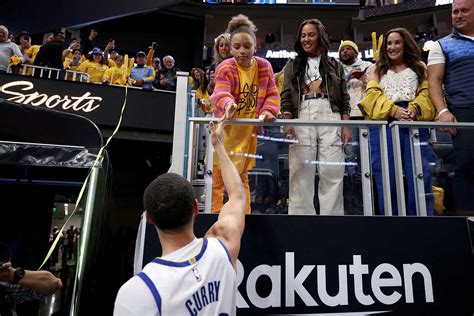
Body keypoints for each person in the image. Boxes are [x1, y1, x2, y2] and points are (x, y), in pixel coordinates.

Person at [114, 120, 246, 316]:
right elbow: (237, 195)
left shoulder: (138, 291)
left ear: (148, 218)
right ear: (195, 207)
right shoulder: (223, 247)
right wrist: (218, 145)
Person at [359, 27, 436, 216]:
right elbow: (371, 97)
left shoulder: (419, 67)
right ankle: (390, 221)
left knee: (418, 173)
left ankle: (421, 221)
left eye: (397, 42)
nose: (392, 47)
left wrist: (413, 109)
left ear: (406, 44)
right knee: (386, 176)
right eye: (389, 43)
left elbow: (427, 94)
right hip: (384, 122)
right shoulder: (376, 68)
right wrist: (393, 110)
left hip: (413, 121)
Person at [209, 14, 281, 214]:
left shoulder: (264, 66)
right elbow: (220, 92)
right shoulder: (225, 67)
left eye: (247, 46)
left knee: (242, 177)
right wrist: (228, 104)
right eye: (237, 47)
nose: (242, 51)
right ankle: (215, 216)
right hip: (226, 131)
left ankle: (244, 215)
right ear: (230, 49)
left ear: (255, 47)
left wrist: (268, 111)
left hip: (247, 132)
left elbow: (272, 94)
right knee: (219, 178)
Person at [280, 19, 351, 216]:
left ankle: (332, 224)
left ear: (320, 36)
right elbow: (285, 96)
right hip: (302, 112)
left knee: (332, 171)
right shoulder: (292, 66)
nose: (306, 39)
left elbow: (344, 97)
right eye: (303, 35)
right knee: (300, 172)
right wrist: (288, 123)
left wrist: (345, 126)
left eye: (311, 34)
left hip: (331, 113)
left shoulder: (334, 65)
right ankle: (301, 224)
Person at [427, 0, 474, 214]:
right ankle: (468, 224)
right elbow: (434, 81)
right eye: (455, 11)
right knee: (465, 168)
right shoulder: (441, 45)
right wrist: (443, 112)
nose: (459, 15)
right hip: (464, 111)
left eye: (464, 10)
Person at [339, 40, 373, 215]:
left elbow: (375, 87)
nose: (344, 51)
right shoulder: (337, 69)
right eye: (342, 49)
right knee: (349, 155)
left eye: (348, 49)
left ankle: (366, 197)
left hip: (365, 116)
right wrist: (346, 77)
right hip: (346, 118)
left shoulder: (367, 65)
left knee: (365, 155)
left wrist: (363, 78)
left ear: (356, 52)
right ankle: (351, 193)